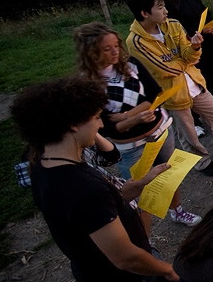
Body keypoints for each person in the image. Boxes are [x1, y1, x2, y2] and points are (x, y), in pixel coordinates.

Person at [10, 77, 213, 282]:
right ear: (72, 124)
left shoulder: (44, 164)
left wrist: (136, 187)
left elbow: (98, 206)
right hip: (128, 279)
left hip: (96, 277)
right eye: (96, 118)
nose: (100, 126)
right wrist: (166, 270)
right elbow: (126, 258)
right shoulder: (82, 189)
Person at [73, 22, 200, 225]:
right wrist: (134, 118)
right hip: (130, 148)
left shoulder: (130, 64)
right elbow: (105, 127)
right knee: (139, 192)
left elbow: (154, 93)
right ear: (90, 52)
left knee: (169, 175)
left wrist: (127, 116)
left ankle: (177, 210)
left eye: (116, 46)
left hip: (160, 131)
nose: (115, 52)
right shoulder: (87, 86)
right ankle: (144, 238)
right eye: (107, 49)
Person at [125, 0, 213, 175]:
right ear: (144, 13)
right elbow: (164, 69)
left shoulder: (173, 24)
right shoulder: (135, 42)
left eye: (164, 6)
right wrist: (185, 60)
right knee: (188, 134)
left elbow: (190, 56)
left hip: (194, 83)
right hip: (171, 94)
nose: (165, 11)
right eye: (160, 7)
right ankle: (202, 163)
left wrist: (195, 46)